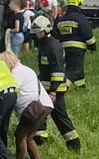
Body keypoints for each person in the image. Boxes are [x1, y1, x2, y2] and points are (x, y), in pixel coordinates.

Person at [30, 15, 82, 151]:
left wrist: (53, 91)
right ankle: (40, 139)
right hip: (46, 89)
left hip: (55, 90)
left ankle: (74, 144)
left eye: (37, 33)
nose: (36, 36)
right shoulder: (45, 45)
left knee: (60, 117)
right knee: (40, 114)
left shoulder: (53, 46)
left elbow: (58, 71)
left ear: (44, 31)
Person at [0, 52, 52, 159]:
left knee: (20, 136)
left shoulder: (16, 72)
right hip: (44, 105)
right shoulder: (26, 69)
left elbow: (10, 90)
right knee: (29, 137)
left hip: (33, 108)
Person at [55, 0, 97, 88]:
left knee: (77, 68)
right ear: (79, 5)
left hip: (64, 49)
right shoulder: (80, 18)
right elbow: (88, 34)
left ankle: (81, 87)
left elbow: (55, 35)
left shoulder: (61, 20)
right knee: (74, 70)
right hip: (78, 49)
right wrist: (92, 46)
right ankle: (61, 87)